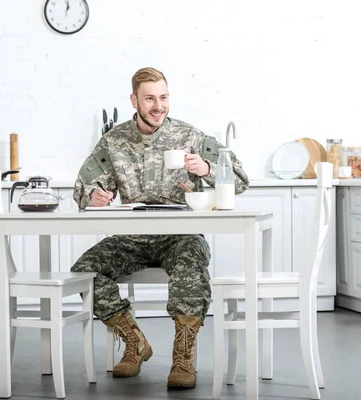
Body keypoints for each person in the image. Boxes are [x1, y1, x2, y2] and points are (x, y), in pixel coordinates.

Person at [71, 67, 249, 389]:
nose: (158, 106)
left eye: (163, 97)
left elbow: (240, 181)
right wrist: (94, 195)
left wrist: (208, 168)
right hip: (132, 239)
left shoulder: (190, 137)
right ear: (134, 100)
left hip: (179, 238)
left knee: (192, 263)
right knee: (85, 271)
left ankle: (183, 358)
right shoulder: (113, 142)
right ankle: (134, 342)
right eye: (150, 98)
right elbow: (81, 188)